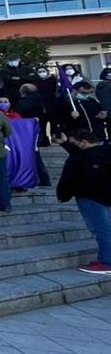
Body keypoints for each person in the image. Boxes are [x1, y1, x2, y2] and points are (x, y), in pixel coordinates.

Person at [54, 130, 111, 274]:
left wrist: (74, 191)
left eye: (77, 143)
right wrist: (66, 144)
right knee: (104, 228)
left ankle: (107, 262)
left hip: (92, 198)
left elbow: (91, 179)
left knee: (101, 229)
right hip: (101, 197)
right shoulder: (102, 152)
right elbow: (81, 154)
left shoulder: (93, 158)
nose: (76, 146)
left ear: (84, 142)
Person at [16, 83, 52, 187]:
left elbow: (20, 112)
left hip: (28, 132)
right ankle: (43, 178)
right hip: (39, 130)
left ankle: (42, 178)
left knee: (34, 156)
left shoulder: (25, 103)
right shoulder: (41, 101)